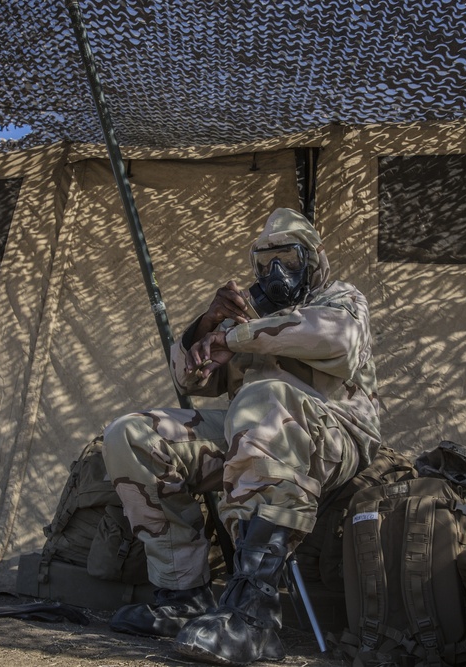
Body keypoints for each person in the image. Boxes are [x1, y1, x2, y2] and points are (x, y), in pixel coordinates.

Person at [101, 207, 381, 666]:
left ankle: (254, 617)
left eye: (288, 259)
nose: (275, 271)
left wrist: (238, 336)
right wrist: (206, 326)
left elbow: (337, 342)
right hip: (253, 432)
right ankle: (182, 595)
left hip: (337, 437)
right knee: (131, 434)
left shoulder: (340, 298)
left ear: (312, 258)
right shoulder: (245, 313)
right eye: (266, 259)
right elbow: (188, 380)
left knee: (262, 398)